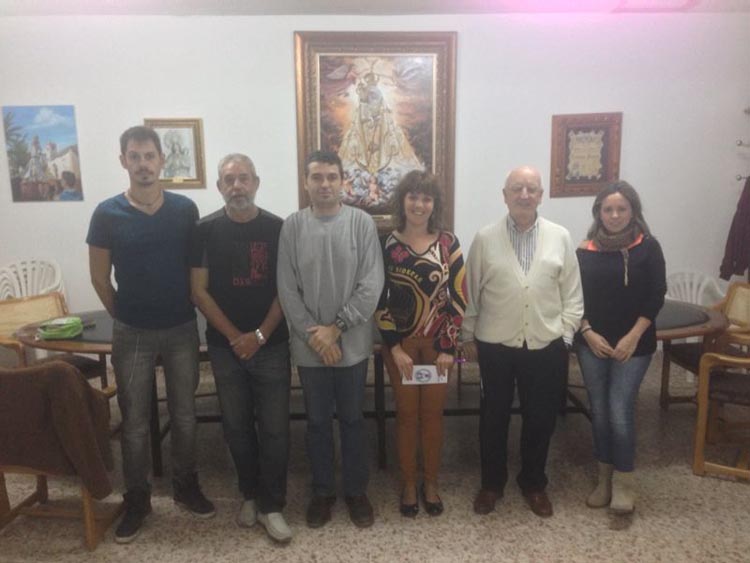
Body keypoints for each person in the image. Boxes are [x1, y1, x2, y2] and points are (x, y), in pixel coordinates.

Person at [87, 126, 215, 544]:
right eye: (134, 156)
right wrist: (126, 314)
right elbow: (99, 278)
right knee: (135, 422)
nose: (142, 164)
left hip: (181, 327)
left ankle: (186, 486)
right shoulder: (107, 214)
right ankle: (138, 499)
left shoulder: (185, 209)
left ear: (162, 160)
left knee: (185, 414)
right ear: (123, 161)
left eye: (149, 156)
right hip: (133, 332)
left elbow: (196, 269)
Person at [462, 165, 583, 518]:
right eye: (517, 188)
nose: (524, 195)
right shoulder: (485, 238)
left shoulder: (560, 237)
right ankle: (491, 484)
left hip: (545, 345)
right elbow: (470, 293)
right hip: (495, 345)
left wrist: (565, 336)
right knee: (493, 418)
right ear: (505, 195)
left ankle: (533, 483)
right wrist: (468, 336)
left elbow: (573, 294)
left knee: (540, 418)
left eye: (531, 189)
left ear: (541, 196)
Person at [277, 150, 384, 529]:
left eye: (331, 177)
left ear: (343, 182)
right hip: (310, 348)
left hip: (351, 346)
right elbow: (287, 289)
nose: (324, 184)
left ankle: (356, 491)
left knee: (353, 419)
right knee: (318, 422)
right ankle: (322, 492)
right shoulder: (292, 227)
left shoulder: (361, 223)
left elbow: (371, 284)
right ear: (306, 183)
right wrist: (317, 337)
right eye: (317, 177)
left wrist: (336, 328)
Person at [189, 154, 292, 542]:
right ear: (219, 187)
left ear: (256, 182)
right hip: (225, 348)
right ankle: (249, 494)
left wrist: (260, 336)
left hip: (272, 345)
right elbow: (198, 291)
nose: (237, 186)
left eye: (244, 178)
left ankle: (272, 505)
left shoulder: (278, 229)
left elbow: (287, 289)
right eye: (229, 180)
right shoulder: (204, 230)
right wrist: (237, 338)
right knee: (236, 427)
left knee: (276, 429)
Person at [375, 170, 466, 517]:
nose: (419, 204)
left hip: (438, 346)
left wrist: (448, 347)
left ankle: (431, 483)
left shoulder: (449, 243)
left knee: (433, 417)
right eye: (413, 196)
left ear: (434, 204)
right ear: (402, 201)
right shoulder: (386, 243)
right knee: (406, 416)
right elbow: (378, 298)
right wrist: (394, 347)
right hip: (401, 347)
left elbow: (459, 295)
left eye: (426, 198)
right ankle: (409, 484)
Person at [575, 181, 666, 515]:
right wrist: (587, 331)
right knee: (599, 410)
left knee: (619, 408)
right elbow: (572, 297)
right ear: (598, 213)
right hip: (592, 343)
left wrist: (632, 336)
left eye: (621, 209)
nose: (614, 215)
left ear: (633, 212)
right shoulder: (584, 250)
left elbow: (656, 295)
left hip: (634, 345)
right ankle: (604, 479)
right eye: (608, 209)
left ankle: (624, 481)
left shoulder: (648, 247)